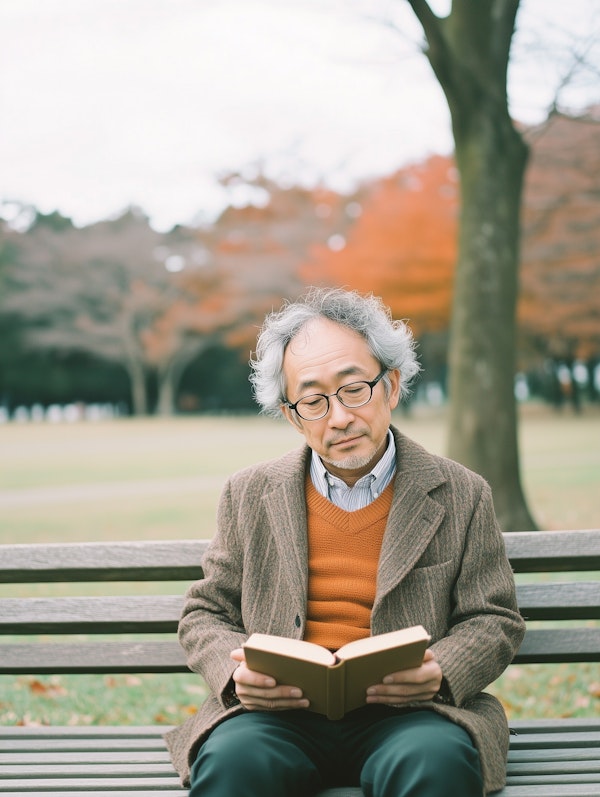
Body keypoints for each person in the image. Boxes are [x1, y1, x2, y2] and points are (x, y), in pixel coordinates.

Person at [165, 287, 525, 796]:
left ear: (392, 386)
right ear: (292, 415)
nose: (338, 418)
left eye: (355, 389)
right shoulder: (248, 493)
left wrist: (441, 670)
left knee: (437, 764)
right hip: (276, 714)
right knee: (232, 764)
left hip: (413, 715)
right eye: (312, 400)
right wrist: (233, 674)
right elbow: (204, 612)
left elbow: (494, 618)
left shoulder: (462, 493)